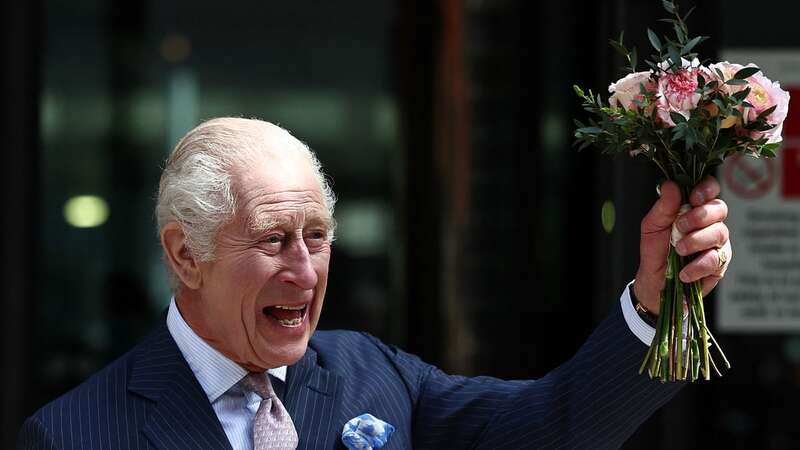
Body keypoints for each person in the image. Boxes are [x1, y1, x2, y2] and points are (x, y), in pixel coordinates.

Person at [18, 117, 732, 449]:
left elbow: (560, 424)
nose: (305, 269)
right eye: (272, 240)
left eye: (318, 237)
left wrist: (656, 309)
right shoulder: (74, 434)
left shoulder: (371, 374)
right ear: (185, 256)